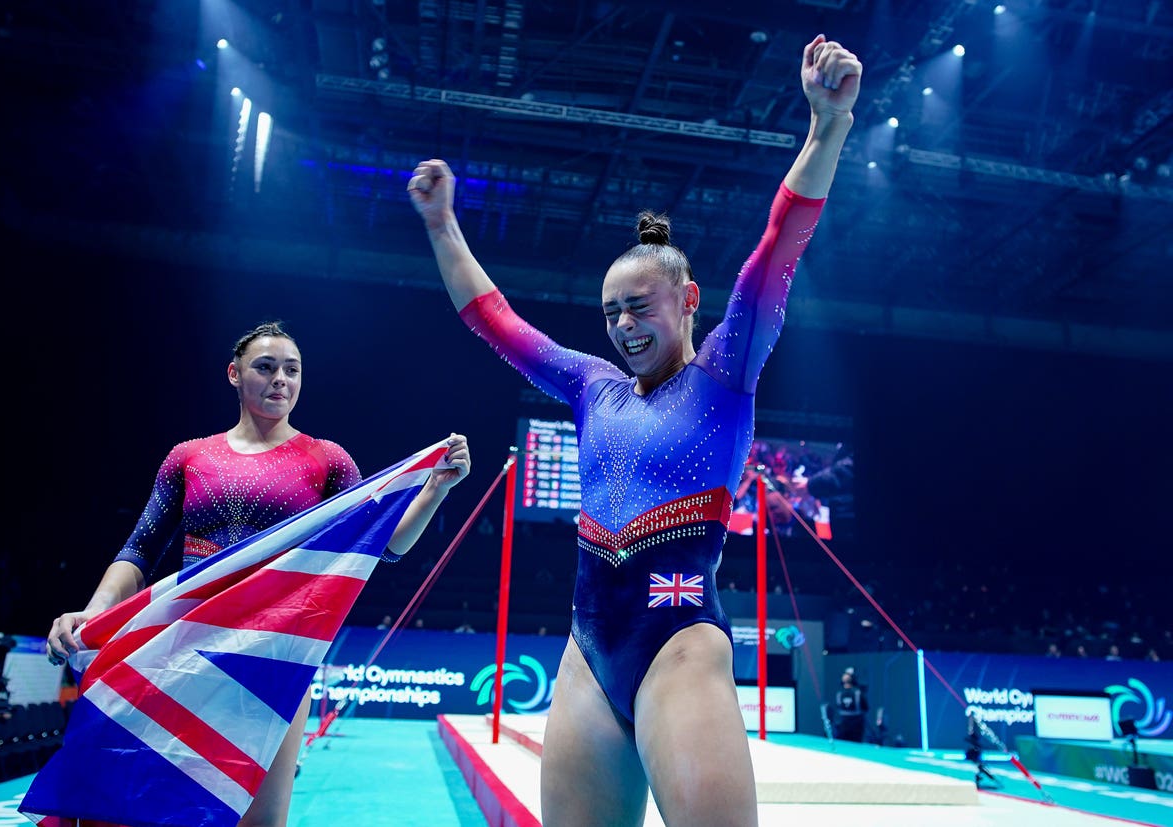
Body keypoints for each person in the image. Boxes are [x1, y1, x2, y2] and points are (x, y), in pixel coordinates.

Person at [409, 32, 860, 827]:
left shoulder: (725, 372)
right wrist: (443, 225)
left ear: (688, 303)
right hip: (588, 649)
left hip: (680, 642)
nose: (622, 325)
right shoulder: (592, 386)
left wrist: (825, 129)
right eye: (610, 311)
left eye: (639, 306)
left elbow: (772, 256)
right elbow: (495, 321)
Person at [46, 321, 471, 827]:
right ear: (234, 374)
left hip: (275, 654)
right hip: (181, 645)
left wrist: (434, 490)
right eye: (265, 367)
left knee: (259, 819)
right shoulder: (189, 456)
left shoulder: (328, 460)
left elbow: (386, 547)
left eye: (292, 370)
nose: (280, 380)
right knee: (150, 802)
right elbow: (139, 551)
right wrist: (94, 613)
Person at [833, 668, 868, 742]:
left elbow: (865, 708)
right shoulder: (840, 694)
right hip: (844, 726)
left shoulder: (857, 693)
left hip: (856, 727)